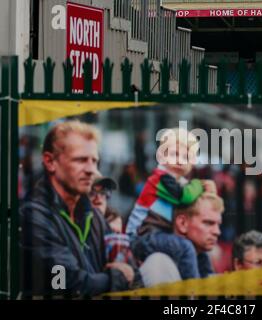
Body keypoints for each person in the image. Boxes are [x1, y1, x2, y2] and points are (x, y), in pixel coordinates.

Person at [20, 120, 136, 297]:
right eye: (81, 160)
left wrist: (123, 274)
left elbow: (131, 269)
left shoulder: (93, 215)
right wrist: (116, 278)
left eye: (94, 161)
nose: (91, 170)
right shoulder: (33, 215)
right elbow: (66, 282)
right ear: (50, 162)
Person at [127, 128, 208, 280]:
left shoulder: (178, 181)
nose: (179, 160)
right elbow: (185, 196)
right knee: (186, 247)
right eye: (174, 154)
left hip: (154, 235)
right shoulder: (161, 178)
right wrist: (200, 185)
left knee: (197, 247)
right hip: (141, 237)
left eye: (186, 156)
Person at [134, 192, 224, 287]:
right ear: (182, 223)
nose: (217, 232)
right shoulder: (160, 264)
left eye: (218, 225)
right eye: (208, 223)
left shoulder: (202, 262)